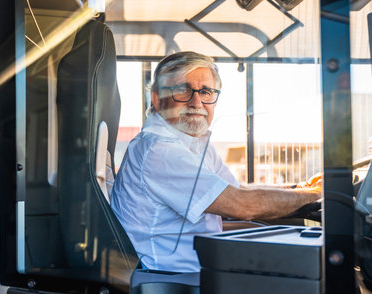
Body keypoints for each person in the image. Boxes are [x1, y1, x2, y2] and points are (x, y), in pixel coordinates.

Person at [111, 51, 321, 273]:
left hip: (203, 264)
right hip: (177, 279)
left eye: (205, 91)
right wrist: (317, 194)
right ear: (157, 98)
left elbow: (236, 191)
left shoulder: (193, 140)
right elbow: (243, 205)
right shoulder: (160, 150)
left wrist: (301, 188)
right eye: (183, 90)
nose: (196, 102)